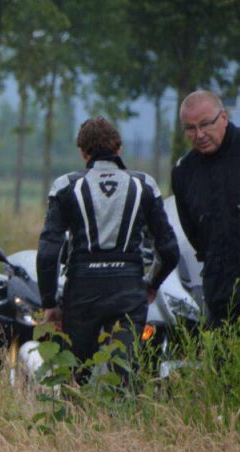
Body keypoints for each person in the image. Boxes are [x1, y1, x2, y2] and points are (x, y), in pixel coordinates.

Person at [36, 117, 179, 379]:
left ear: (83, 151)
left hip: (81, 290)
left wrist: (49, 303)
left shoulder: (66, 185)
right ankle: (121, 418)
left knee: (75, 375)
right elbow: (169, 250)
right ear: (119, 147)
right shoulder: (144, 185)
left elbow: (48, 253)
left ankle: (76, 416)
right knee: (123, 375)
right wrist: (152, 284)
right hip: (128, 289)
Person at [171, 90, 240, 344]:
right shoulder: (183, 172)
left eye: (205, 125)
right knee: (227, 372)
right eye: (190, 129)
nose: (199, 135)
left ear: (224, 117)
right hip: (221, 294)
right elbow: (194, 233)